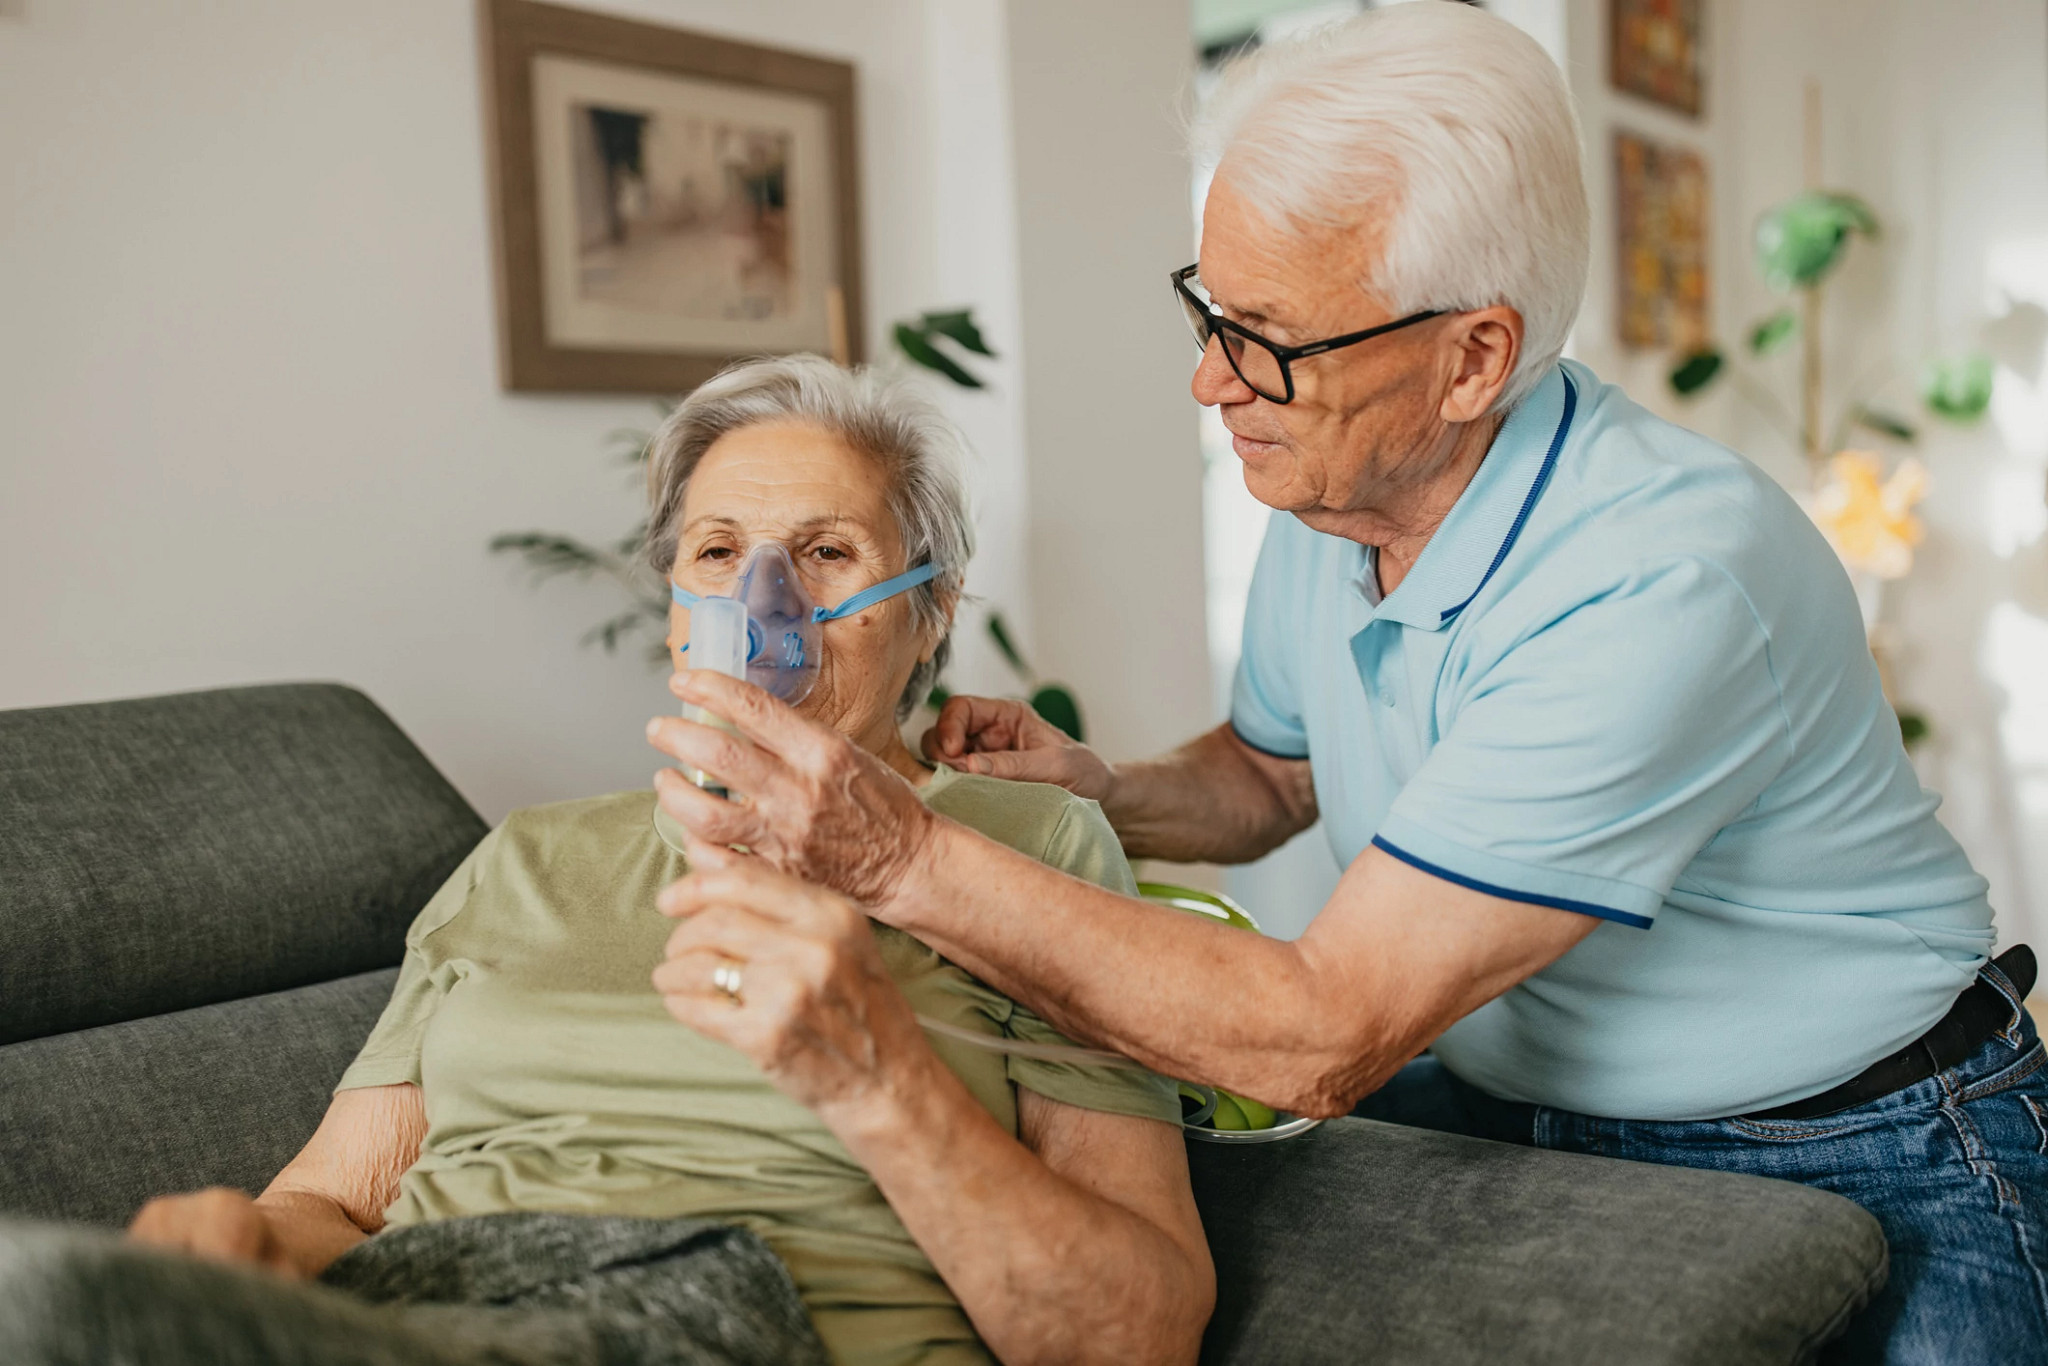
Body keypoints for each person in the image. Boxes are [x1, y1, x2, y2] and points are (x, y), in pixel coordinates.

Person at [641, 8, 2047, 1364]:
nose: (1209, 381)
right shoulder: (1342, 498)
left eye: (1265, 338)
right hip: (1518, 1100)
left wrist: (892, 846)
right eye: (1206, 307)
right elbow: (1274, 772)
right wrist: (1110, 791)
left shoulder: (1663, 576)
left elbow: (1321, 1033)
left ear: (1472, 357)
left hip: (1857, 1132)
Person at [4, 357, 1212, 1366]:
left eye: (828, 552)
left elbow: (1136, 1330)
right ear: (674, 598)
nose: (763, 597)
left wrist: (877, 1077)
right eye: (717, 551)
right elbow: (334, 1203)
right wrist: (244, 1248)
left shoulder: (1029, 848)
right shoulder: (525, 857)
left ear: (930, 609)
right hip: (429, 1308)